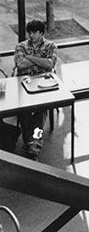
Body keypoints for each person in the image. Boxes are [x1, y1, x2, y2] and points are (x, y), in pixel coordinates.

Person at [14, 19, 57, 160]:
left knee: (41, 110)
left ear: (41, 33)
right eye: (29, 32)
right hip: (23, 84)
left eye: (34, 32)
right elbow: (20, 65)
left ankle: (32, 143)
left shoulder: (51, 46)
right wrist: (40, 61)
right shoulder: (21, 46)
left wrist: (30, 57)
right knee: (24, 110)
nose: (31, 35)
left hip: (43, 85)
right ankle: (34, 144)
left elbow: (49, 65)